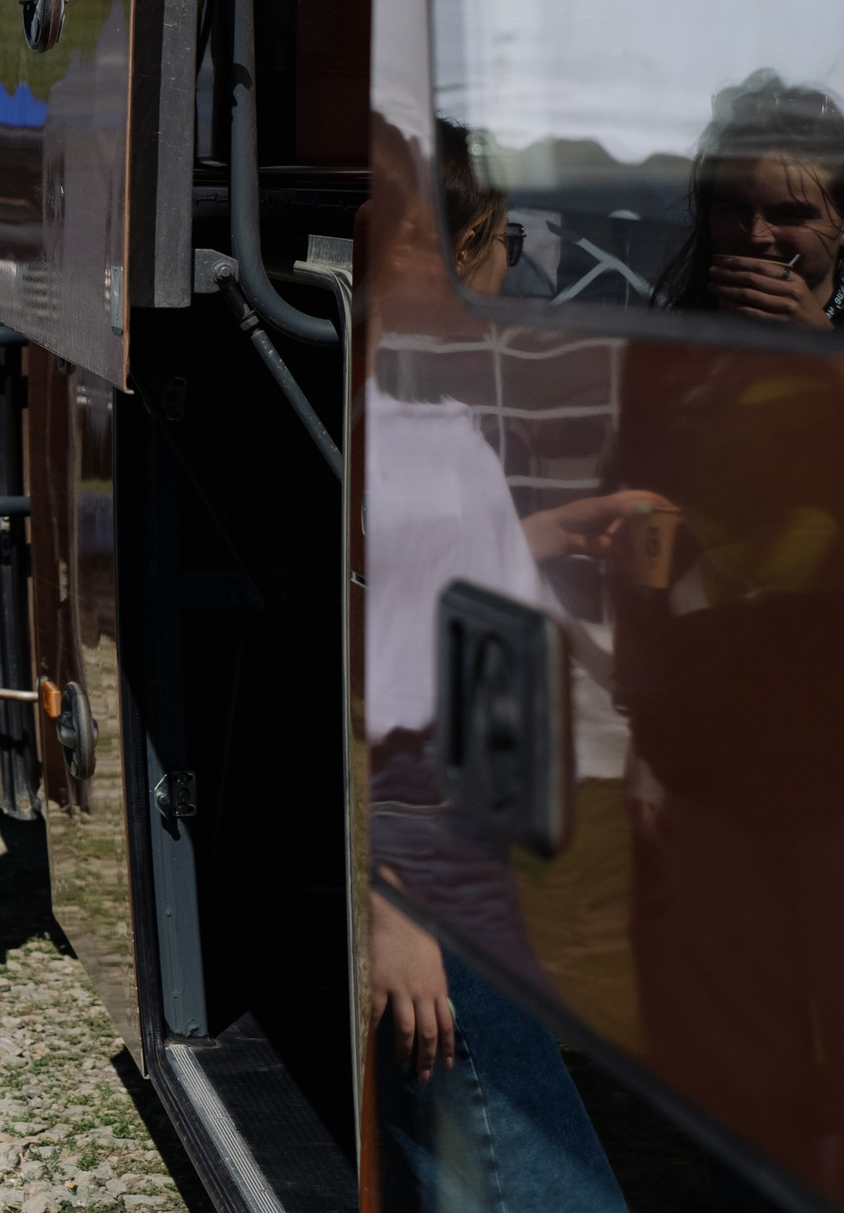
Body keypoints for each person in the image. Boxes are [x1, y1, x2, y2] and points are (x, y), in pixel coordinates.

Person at [365, 120, 657, 1213]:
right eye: (491, 237)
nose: (505, 267)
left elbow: (418, 577)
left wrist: (547, 532)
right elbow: (347, 661)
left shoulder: (416, 409)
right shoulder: (372, 427)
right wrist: (387, 907)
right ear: (420, 244)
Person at [654, 69, 844, 329]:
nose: (756, 235)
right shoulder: (680, 328)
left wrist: (822, 346)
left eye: (790, 215)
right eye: (733, 210)